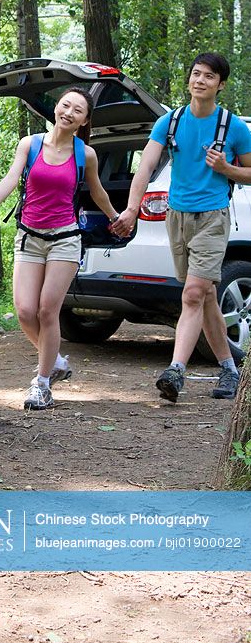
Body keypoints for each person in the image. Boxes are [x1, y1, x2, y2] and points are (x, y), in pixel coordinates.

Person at [112, 53, 251, 403]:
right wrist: (131, 209)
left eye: (208, 76)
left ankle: (175, 370)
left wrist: (227, 168)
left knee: (191, 294)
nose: (200, 80)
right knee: (204, 296)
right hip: (176, 217)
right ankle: (230, 369)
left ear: (220, 84)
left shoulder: (233, 127)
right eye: (195, 74)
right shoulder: (170, 121)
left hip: (212, 218)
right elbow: (145, 168)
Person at [0, 89, 120, 410]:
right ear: (56, 109)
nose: (69, 112)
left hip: (65, 238)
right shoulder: (30, 144)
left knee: (47, 310)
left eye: (77, 110)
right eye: (65, 105)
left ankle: (42, 383)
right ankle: (56, 361)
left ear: (84, 120)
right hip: (29, 236)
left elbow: (98, 192)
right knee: (24, 311)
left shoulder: (84, 154)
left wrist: (115, 218)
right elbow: (10, 179)